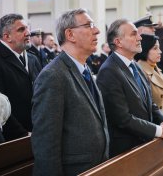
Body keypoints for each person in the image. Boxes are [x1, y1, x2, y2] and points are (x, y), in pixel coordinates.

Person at [31, 9, 109, 176]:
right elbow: (46, 144)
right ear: (70, 35)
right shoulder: (53, 76)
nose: (97, 30)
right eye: (89, 25)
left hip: (96, 166)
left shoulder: (84, 68)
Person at [96, 19, 163, 158]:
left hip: (144, 142)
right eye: (133, 34)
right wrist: (158, 130)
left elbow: (149, 102)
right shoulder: (109, 71)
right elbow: (122, 118)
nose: (139, 38)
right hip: (127, 150)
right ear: (118, 42)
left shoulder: (135, 65)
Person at [0, 13, 34, 141]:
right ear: (7, 36)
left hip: (38, 131)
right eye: (21, 29)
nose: (28, 33)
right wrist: (23, 134)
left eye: (27, 28)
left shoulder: (32, 59)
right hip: (14, 138)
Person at [134, 34, 163, 123]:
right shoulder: (140, 71)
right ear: (145, 50)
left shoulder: (157, 69)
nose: (160, 52)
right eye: (155, 48)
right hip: (155, 125)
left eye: (159, 48)